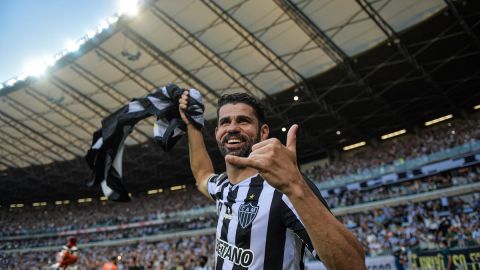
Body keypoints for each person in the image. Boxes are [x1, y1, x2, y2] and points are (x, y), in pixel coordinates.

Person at [179, 91, 366, 269]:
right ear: (217, 132)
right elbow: (202, 175)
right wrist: (192, 126)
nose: (233, 128)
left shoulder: (284, 188)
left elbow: (353, 265)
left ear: (263, 132)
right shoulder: (223, 186)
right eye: (225, 122)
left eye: (243, 121)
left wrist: (295, 186)